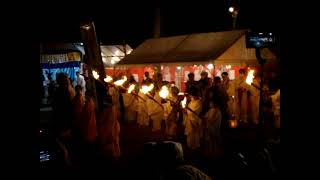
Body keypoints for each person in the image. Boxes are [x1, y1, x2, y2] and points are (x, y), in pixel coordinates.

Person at [183, 87, 202, 151]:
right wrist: (185, 110)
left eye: (191, 95)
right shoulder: (191, 102)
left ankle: (195, 148)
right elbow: (188, 111)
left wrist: (188, 110)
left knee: (194, 135)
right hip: (189, 121)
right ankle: (189, 147)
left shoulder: (199, 102)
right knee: (189, 135)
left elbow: (195, 112)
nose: (190, 97)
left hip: (194, 121)